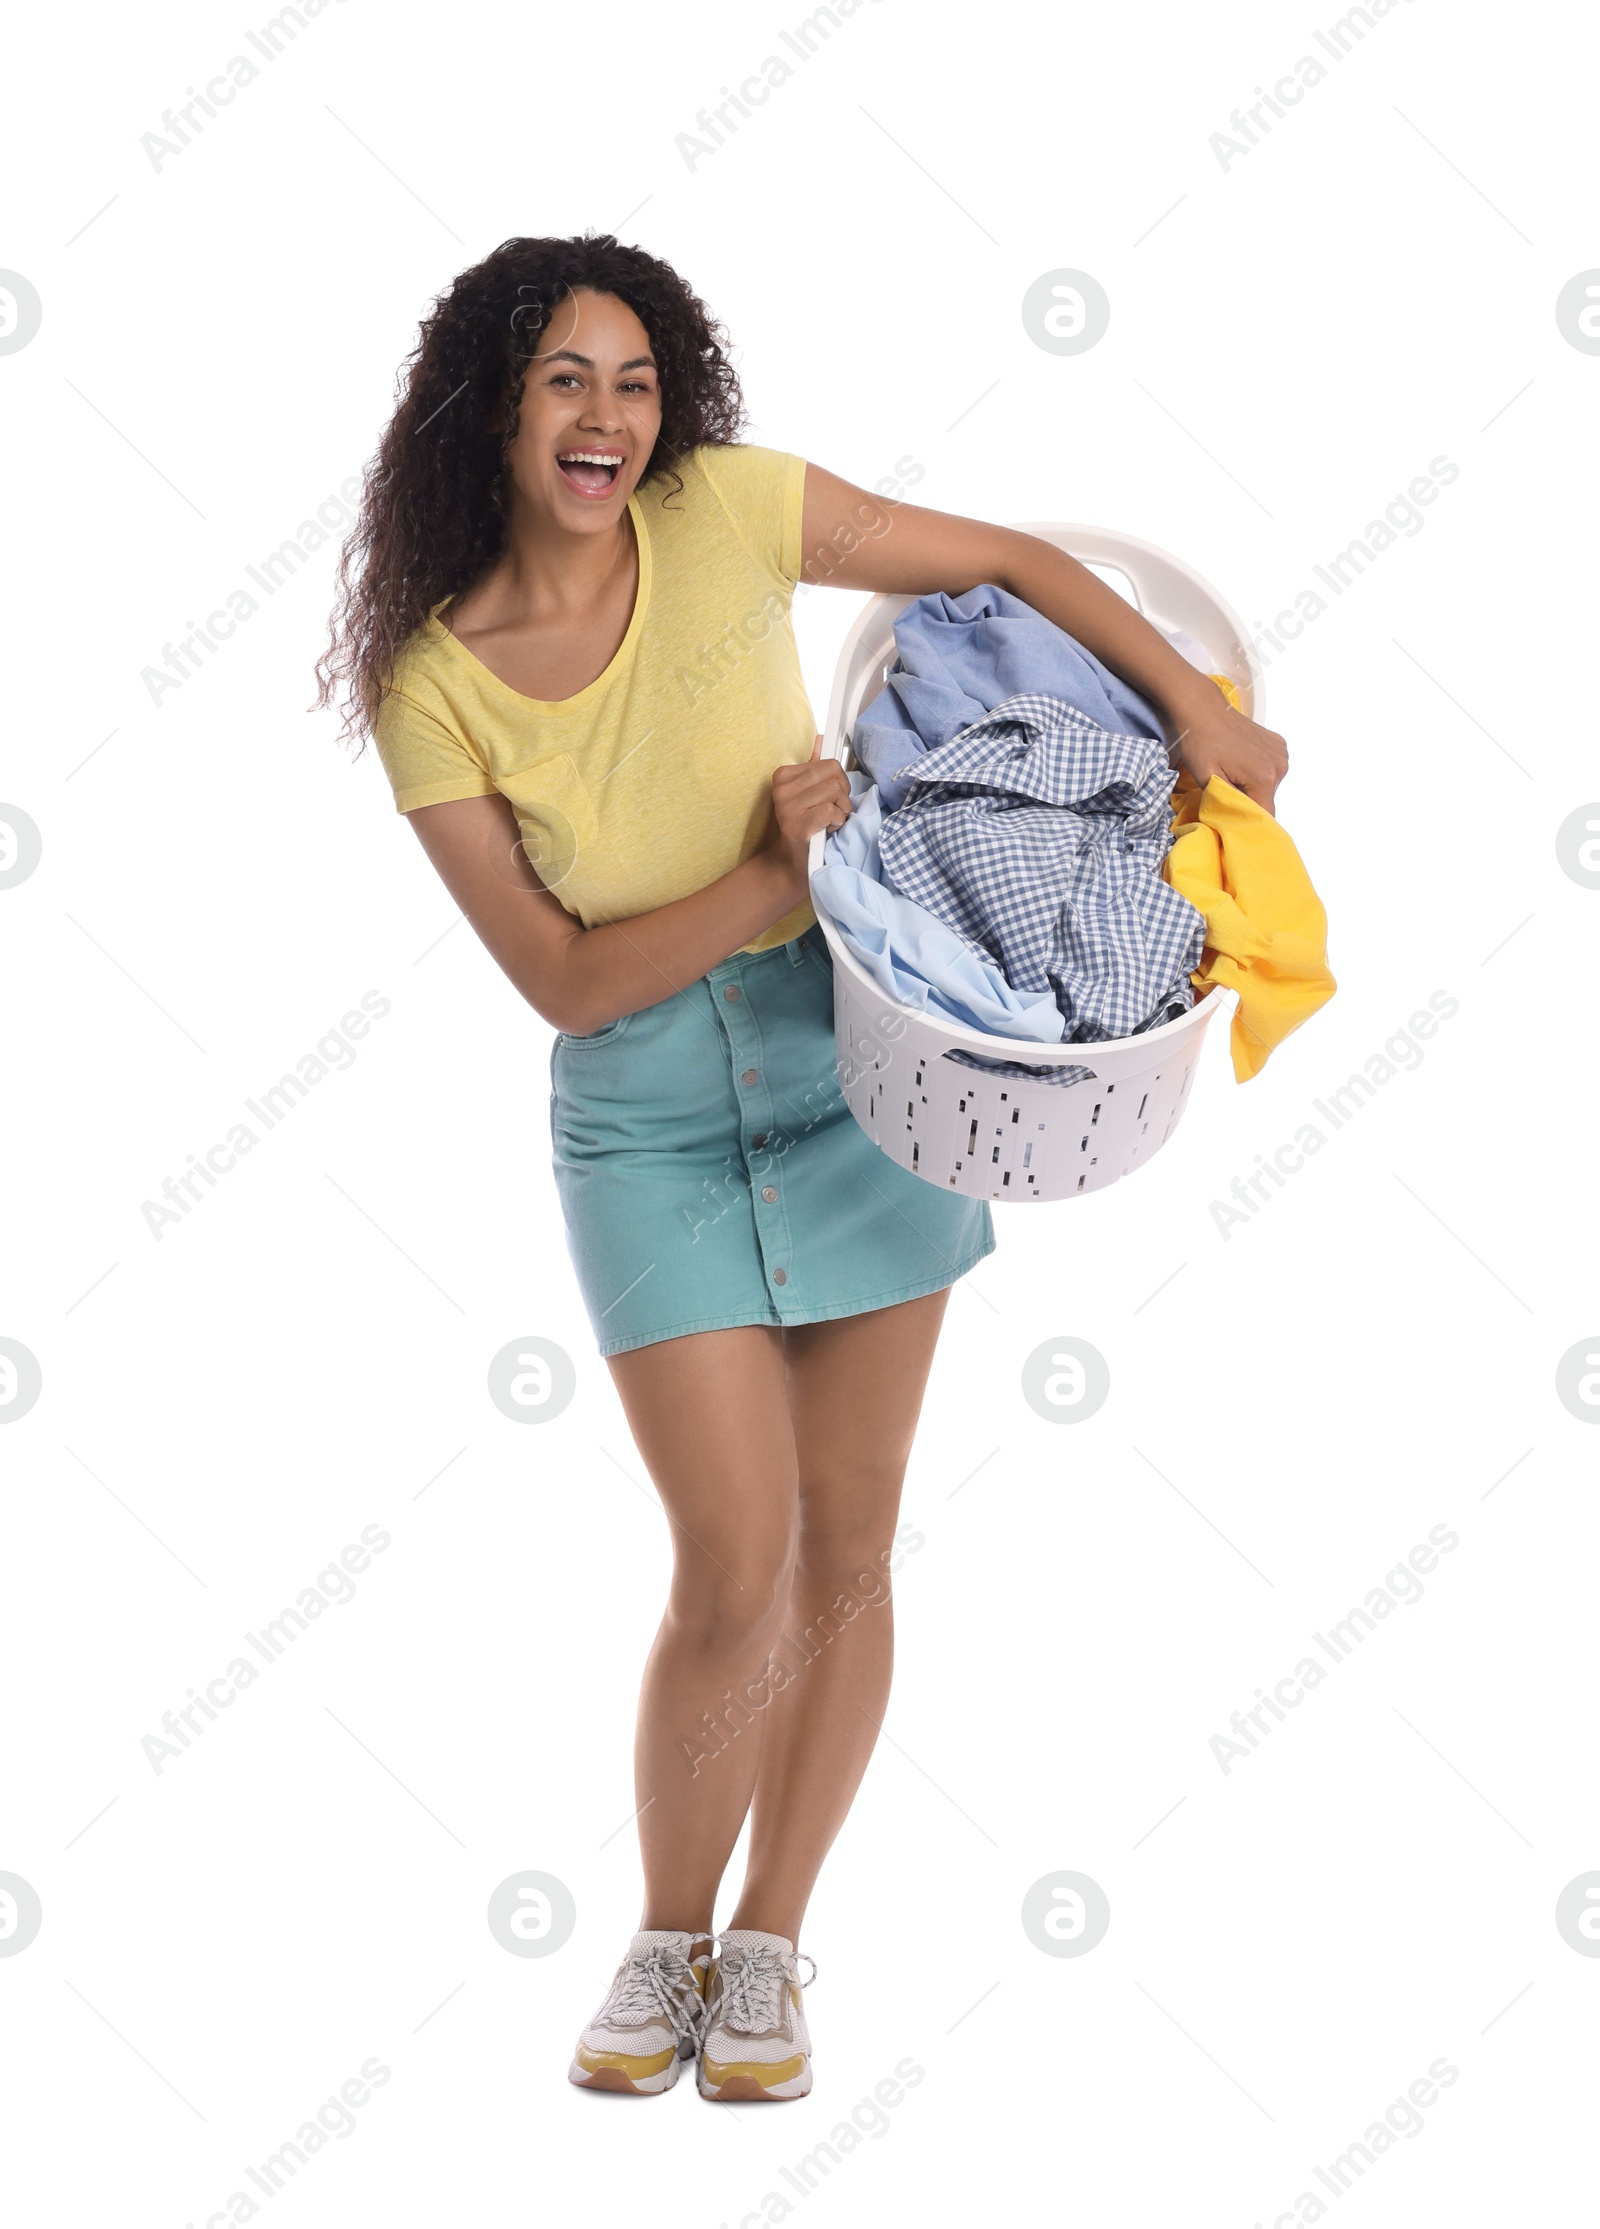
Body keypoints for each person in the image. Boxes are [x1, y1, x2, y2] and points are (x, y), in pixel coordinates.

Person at [318, 232, 1286, 2103]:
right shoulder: (432, 686)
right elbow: (563, 972)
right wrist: (773, 874)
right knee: (732, 1559)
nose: (608, 419)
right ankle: (665, 1939)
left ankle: (768, 1948)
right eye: (564, 381)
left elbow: (1006, 562)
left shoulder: (735, 514)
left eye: (634, 381)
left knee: (850, 1540)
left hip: (863, 1058)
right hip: (643, 1109)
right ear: (489, 408)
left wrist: (1192, 707)